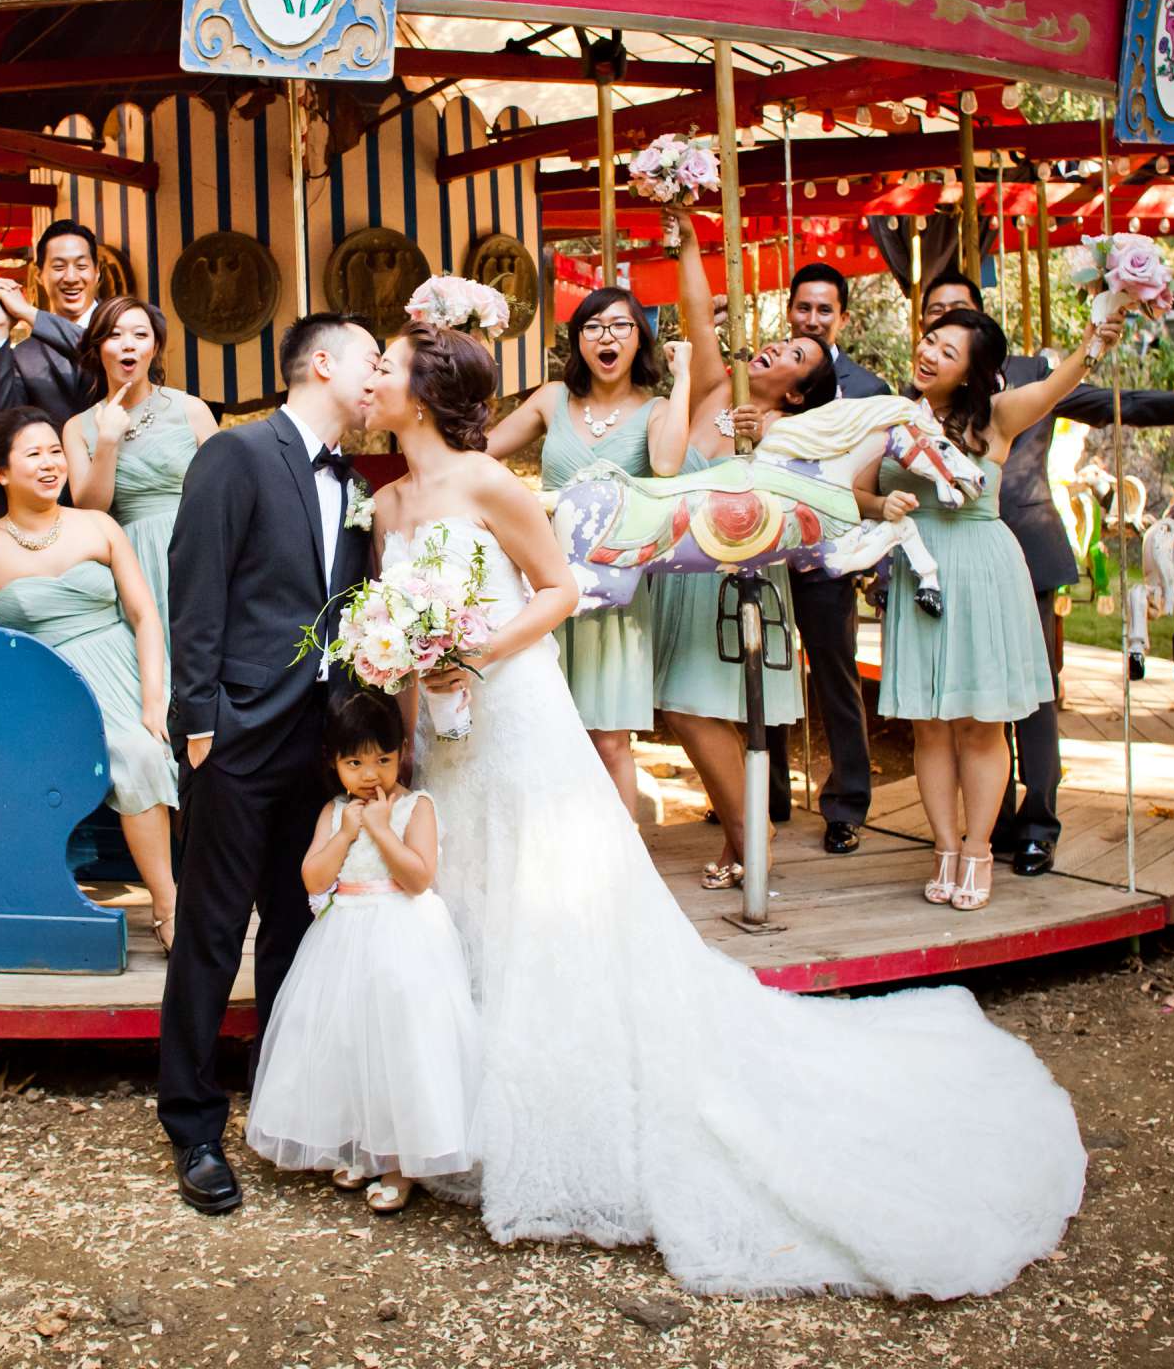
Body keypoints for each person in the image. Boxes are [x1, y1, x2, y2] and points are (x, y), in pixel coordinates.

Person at [364, 320, 1086, 1298]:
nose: (371, 380)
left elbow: (560, 588)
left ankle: (565, 1111)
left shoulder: (489, 483)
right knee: (472, 897)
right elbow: (395, 620)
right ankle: (465, 1101)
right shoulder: (388, 501)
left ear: (426, 390)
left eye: (386, 368)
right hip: (445, 739)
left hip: (515, 713)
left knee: (551, 901)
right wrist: (406, 706)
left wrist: (474, 652)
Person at [917, 272, 1174, 874]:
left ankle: (1038, 823)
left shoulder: (1028, 377)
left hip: (1020, 549)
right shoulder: (918, 399)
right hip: (943, 565)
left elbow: (1115, 406)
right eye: (933, 316)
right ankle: (988, 823)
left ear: (978, 323)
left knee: (1031, 695)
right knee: (966, 701)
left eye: (956, 314)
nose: (940, 328)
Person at [158, 311, 381, 1217]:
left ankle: (275, 1095)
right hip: (239, 731)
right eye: (371, 362)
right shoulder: (237, 454)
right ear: (322, 363)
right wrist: (199, 722)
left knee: (296, 921)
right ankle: (192, 1123)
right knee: (212, 928)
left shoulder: (360, 482)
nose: (379, 378)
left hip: (318, 740)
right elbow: (195, 583)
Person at [851, 306, 1121, 912]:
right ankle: (943, 845)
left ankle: (977, 848)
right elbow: (858, 491)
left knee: (980, 722)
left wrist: (1092, 344)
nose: (929, 355)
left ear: (972, 371)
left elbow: (1058, 386)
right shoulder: (891, 418)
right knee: (928, 721)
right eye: (928, 341)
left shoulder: (996, 418)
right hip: (922, 571)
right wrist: (879, 505)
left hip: (981, 569)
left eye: (948, 352)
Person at [0, 390, 180, 947]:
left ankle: (205, 894)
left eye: (55, 453)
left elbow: (144, 616)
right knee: (139, 753)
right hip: (47, 689)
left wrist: (152, 698)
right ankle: (168, 905)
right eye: (34, 456)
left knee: (166, 737)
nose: (51, 465)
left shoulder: (97, 525)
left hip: (128, 670)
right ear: (1, 471)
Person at [244, 688, 480, 1215]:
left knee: (399, 1047)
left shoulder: (416, 807)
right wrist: (347, 832)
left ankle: (399, 1161)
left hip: (402, 941)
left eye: (383, 759)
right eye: (355, 762)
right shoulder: (333, 813)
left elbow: (419, 878)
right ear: (335, 763)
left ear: (402, 754)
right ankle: (359, 1145)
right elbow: (312, 877)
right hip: (344, 937)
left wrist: (378, 828)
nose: (371, 773)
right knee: (350, 1042)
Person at [657, 225, 841, 888]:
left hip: (734, 575)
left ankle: (752, 831)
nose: (773, 348)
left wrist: (772, 441)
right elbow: (698, 318)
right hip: (683, 571)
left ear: (796, 391)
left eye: (792, 355)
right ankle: (743, 836)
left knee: (691, 703)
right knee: (688, 704)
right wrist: (684, 246)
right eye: (781, 340)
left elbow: (812, 500)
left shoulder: (792, 431)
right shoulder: (714, 389)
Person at [486, 287, 693, 811]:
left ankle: (624, 874)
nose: (607, 336)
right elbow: (480, 451)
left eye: (621, 326)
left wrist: (683, 376)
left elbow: (668, 465)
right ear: (577, 340)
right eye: (593, 326)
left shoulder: (655, 410)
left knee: (608, 740)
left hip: (612, 598)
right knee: (543, 731)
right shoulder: (551, 399)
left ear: (638, 339)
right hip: (543, 588)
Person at [769, 260, 893, 853]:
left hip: (828, 554)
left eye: (824, 309)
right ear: (788, 308)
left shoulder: (869, 389)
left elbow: (869, 479)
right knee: (760, 664)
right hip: (764, 549)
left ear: (842, 316)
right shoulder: (765, 375)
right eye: (803, 307)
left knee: (835, 673)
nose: (812, 319)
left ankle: (846, 801)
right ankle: (764, 791)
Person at [62, 296, 216, 649]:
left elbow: (226, 491)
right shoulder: (76, 428)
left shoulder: (191, 410)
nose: (128, 344)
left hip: (196, 549)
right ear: (98, 347)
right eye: (114, 335)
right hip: (131, 561)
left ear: (155, 346)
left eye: (140, 335)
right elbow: (91, 510)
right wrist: (107, 442)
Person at [0, 219, 105, 418]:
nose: (71, 277)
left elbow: (101, 348)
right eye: (58, 267)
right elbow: (1, 423)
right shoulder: (24, 355)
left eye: (81, 266)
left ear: (97, 271)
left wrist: (26, 311)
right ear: (39, 275)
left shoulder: (128, 324)